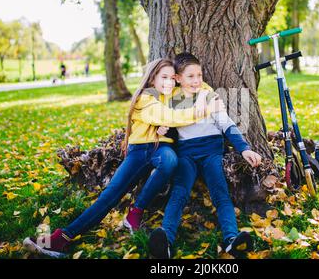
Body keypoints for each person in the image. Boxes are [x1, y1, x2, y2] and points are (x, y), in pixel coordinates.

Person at [22, 58, 224, 258]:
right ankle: (60, 238)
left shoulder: (172, 94)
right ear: (152, 78)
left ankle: (135, 212)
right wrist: (206, 110)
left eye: (172, 78)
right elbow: (170, 117)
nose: (170, 82)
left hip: (161, 148)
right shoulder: (145, 98)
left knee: (170, 160)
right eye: (164, 77)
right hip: (139, 151)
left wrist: (211, 95)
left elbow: (197, 83)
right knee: (110, 196)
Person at [148, 53, 262, 259]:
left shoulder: (210, 97)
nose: (197, 80)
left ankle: (231, 240)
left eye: (199, 75)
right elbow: (170, 126)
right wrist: (163, 129)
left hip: (211, 153)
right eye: (190, 76)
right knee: (179, 192)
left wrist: (244, 148)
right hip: (186, 155)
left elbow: (227, 124)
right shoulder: (171, 101)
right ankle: (165, 239)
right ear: (178, 79)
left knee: (220, 193)